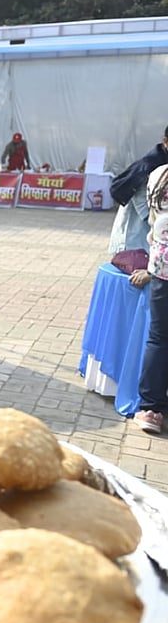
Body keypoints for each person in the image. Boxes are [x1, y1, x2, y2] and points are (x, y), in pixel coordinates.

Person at [129, 162, 168, 434]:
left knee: (159, 338)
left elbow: (154, 220)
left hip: (161, 266)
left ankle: (151, 409)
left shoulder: (159, 174)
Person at [110, 127, 168, 254]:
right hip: (135, 237)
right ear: (166, 142)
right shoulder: (150, 166)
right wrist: (161, 220)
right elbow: (142, 205)